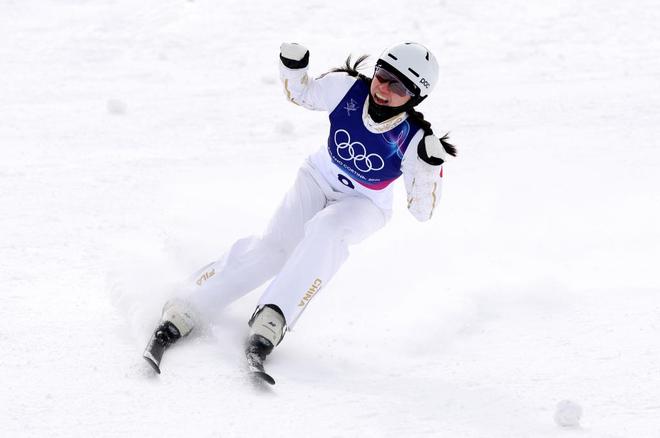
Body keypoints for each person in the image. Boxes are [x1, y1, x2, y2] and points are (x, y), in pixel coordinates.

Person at [143, 41, 457, 382]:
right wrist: (293, 69)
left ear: (416, 97)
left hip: (364, 203)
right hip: (317, 177)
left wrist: (429, 168)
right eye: (382, 76)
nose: (383, 89)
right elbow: (303, 93)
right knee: (274, 250)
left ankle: (271, 321)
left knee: (327, 231)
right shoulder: (348, 89)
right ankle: (190, 304)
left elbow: (422, 211)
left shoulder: (415, 141)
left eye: (399, 88)